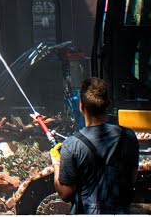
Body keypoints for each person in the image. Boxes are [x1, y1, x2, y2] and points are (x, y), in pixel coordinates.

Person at [52, 77, 140, 213]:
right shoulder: (128, 136)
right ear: (108, 104)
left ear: (81, 107)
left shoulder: (72, 145)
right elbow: (131, 179)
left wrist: (56, 163)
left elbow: (65, 194)